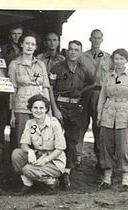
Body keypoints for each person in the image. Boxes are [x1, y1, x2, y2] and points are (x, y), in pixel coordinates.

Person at [49, 40, 95, 188]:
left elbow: (92, 83)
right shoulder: (57, 67)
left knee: (72, 141)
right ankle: (52, 172)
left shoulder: (84, 69)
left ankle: (66, 173)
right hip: (60, 106)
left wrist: (81, 96)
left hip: (75, 108)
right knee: (55, 140)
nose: (73, 52)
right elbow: (50, 88)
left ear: (80, 52)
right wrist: (55, 108)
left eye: (76, 50)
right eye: (71, 49)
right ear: (67, 51)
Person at [97, 48, 128, 192]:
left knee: (124, 148)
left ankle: (125, 180)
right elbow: (102, 96)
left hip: (124, 114)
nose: (118, 61)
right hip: (108, 114)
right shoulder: (108, 76)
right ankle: (107, 179)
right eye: (116, 59)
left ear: (126, 60)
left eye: (122, 59)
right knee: (106, 147)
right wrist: (99, 114)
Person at [11, 94, 66, 195]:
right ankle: (28, 183)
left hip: (54, 161)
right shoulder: (30, 123)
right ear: (31, 109)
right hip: (38, 155)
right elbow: (24, 143)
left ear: (46, 109)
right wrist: (30, 151)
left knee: (27, 169)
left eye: (41, 108)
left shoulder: (54, 123)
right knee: (16, 154)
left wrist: (46, 160)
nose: (38, 110)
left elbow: (60, 148)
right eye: (35, 107)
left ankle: (50, 182)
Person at [76, 29, 113, 170]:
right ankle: (77, 158)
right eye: (94, 38)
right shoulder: (82, 57)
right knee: (81, 126)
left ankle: (101, 160)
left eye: (99, 38)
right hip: (85, 94)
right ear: (90, 39)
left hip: (101, 95)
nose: (96, 40)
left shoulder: (108, 58)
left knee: (100, 129)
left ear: (102, 39)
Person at [8, 30, 50, 146]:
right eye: (27, 43)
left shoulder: (41, 64)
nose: (29, 47)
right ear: (21, 44)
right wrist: (12, 112)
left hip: (39, 107)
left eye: (32, 44)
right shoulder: (14, 64)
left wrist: (48, 111)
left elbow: (45, 87)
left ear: (36, 47)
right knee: (23, 139)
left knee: (39, 139)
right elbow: (13, 89)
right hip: (21, 107)